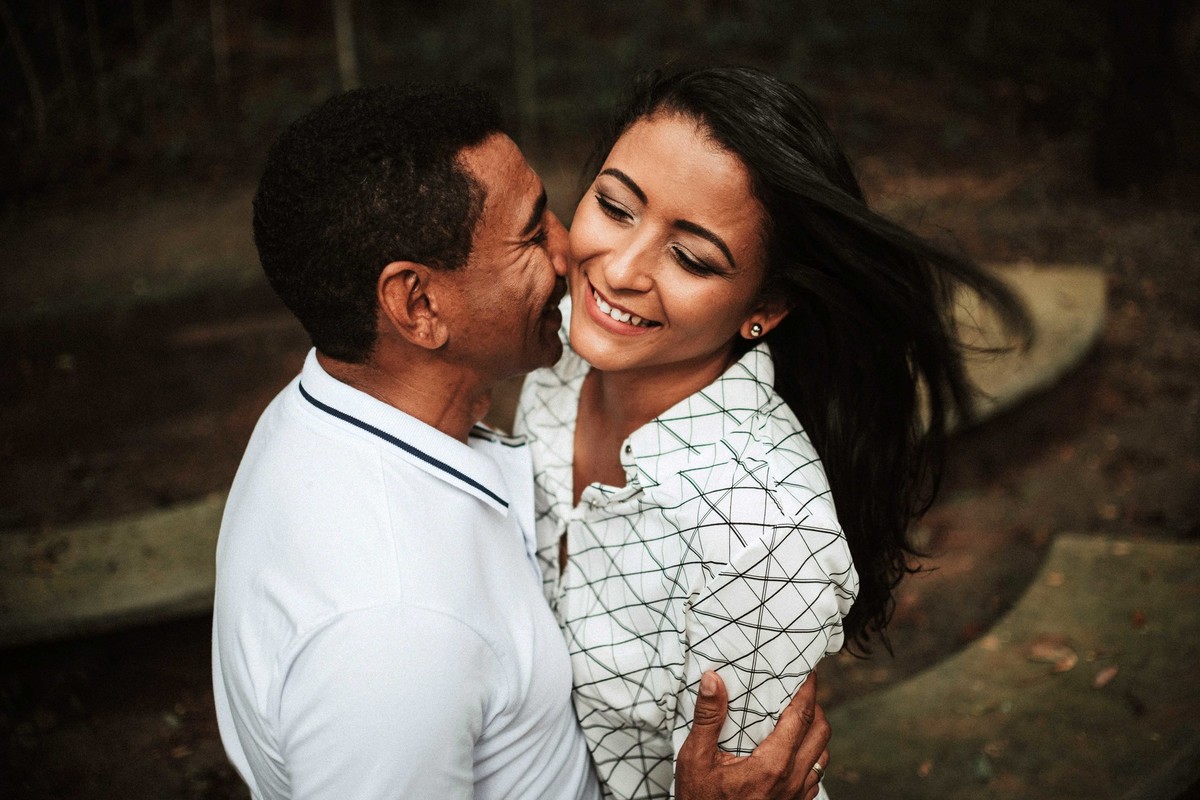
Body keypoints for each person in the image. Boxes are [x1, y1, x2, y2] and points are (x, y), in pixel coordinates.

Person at [212, 82, 832, 800]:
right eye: (535, 233)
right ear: (419, 304)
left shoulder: (317, 415)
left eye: (690, 257)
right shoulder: (394, 634)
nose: (583, 260)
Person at [515, 65, 1030, 799]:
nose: (621, 270)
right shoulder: (557, 342)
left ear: (765, 307)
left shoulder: (762, 527)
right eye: (616, 206)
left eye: (691, 258)